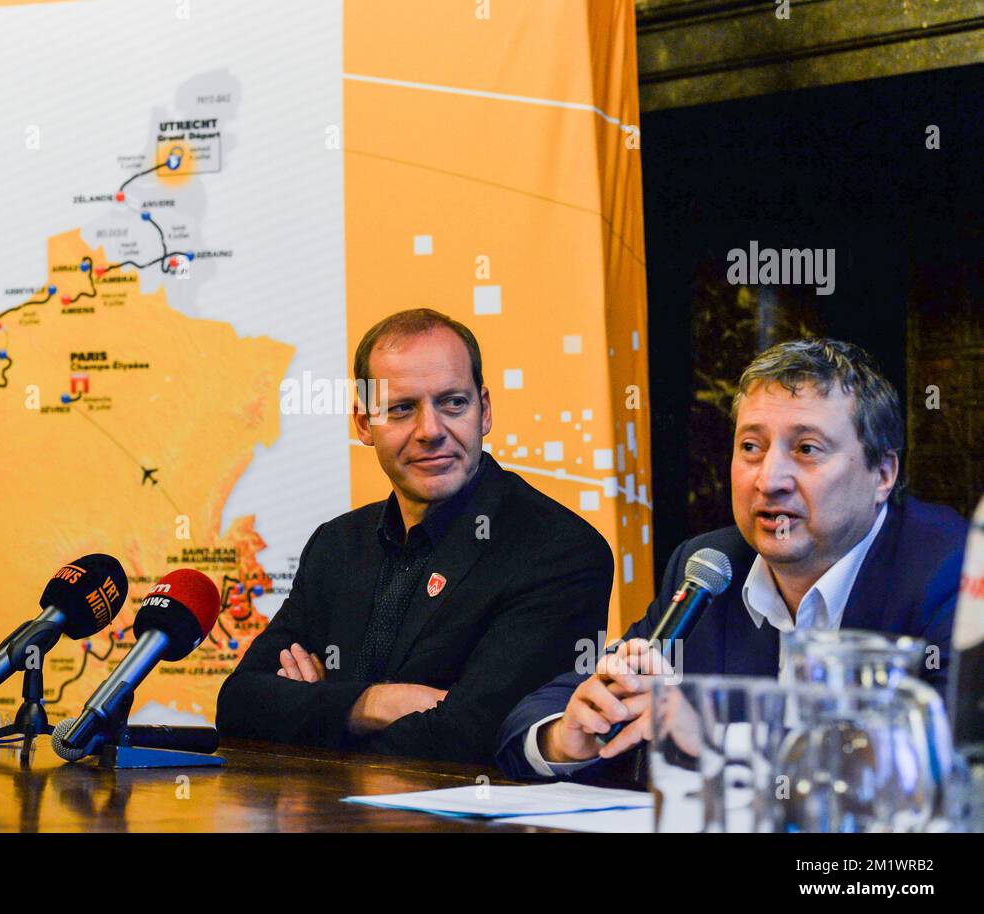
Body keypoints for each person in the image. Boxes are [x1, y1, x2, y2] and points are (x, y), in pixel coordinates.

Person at [496, 338, 967, 782]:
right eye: (751, 448)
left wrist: (720, 741)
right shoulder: (710, 566)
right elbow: (539, 712)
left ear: (882, 474)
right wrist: (568, 733)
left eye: (806, 449)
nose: (770, 479)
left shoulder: (954, 573)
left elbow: (950, 757)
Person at [216, 308, 614, 763]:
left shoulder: (558, 550)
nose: (431, 431)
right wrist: (380, 703)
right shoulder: (336, 545)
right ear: (364, 424)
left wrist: (312, 712)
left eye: (452, 403)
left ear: (484, 411)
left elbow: (473, 737)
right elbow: (239, 706)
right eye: (402, 409)